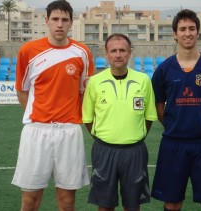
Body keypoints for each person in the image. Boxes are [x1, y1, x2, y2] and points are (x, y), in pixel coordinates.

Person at [11, 1, 94, 210]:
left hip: (69, 131)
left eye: (64, 20)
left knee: (67, 201)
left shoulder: (82, 52)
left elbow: (86, 92)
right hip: (36, 130)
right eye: (55, 19)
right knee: (30, 200)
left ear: (71, 23)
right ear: (46, 21)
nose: (59, 24)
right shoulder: (28, 51)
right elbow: (22, 90)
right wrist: (39, 115)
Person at [151, 9, 201, 211]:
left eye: (192, 28)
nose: (187, 33)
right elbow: (159, 108)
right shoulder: (164, 69)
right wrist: (174, 126)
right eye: (183, 29)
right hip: (173, 145)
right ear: (175, 34)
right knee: (172, 202)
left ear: (198, 32)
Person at [82, 33, 158, 211]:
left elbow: (149, 118)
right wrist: (104, 137)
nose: (118, 55)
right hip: (104, 150)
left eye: (122, 50)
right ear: (106, 54)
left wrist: (134, 136)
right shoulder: (94, 82)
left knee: (133, 205)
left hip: (135, 152)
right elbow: (87, 118)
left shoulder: (143, 80)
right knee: (105, 205)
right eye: (113, 51)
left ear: (130, 53)